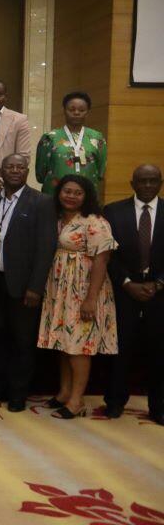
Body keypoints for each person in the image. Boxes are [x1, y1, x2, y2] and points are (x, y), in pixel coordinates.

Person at [38, 174, 118, 419]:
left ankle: (76, 401)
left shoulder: (94, 221)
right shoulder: (58, 219)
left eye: (77, 192)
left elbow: (102, 260)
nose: (71, 196)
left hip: (83, 290)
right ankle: (64, 392)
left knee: (79, 347)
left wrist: (90, 298)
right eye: (67, 191)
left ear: (86, 196)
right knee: (65, 342)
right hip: (60, 289)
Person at [0, 154, 57, 412]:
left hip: (23, 285)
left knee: (22, 341)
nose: (14, 170)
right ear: (1, 171)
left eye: (20, 167)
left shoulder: (41, 202)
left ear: (27, 171)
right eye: (9, 166)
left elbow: (46, 247)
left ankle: (18, 394)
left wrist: (36, 287)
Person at [103, 164, 163, 425]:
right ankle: (115, 402)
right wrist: (127, 282)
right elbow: (107, 254)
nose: (148, 185)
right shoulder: (113, 212)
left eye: (153, 181)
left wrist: (159, 283)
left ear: (160, 183)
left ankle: (158, 407)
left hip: (159, 294)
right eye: (143, 181)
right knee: (120, 349)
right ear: (132, 184)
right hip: (123, 291)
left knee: (159, 351)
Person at [35, 92, 107, 196]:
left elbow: (100, 170)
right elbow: (41, 173)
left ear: (87, 112)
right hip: (55, 195)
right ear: (64, 110)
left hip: (87, 194)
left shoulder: (97, 137)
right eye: (72, 109)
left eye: (81, 110)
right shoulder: (50, 137)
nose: (76, 113)